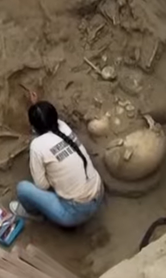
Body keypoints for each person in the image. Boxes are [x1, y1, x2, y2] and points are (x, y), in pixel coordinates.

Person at [10, 90, 104, 227]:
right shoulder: (63, 127)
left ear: (34, 127)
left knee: (22, 189)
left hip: (76, 212)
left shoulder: (36, 146)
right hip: (99, 192)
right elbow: (47, 122)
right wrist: (37, 106)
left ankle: (33, 214)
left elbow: (42, 185)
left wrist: (53, 175)